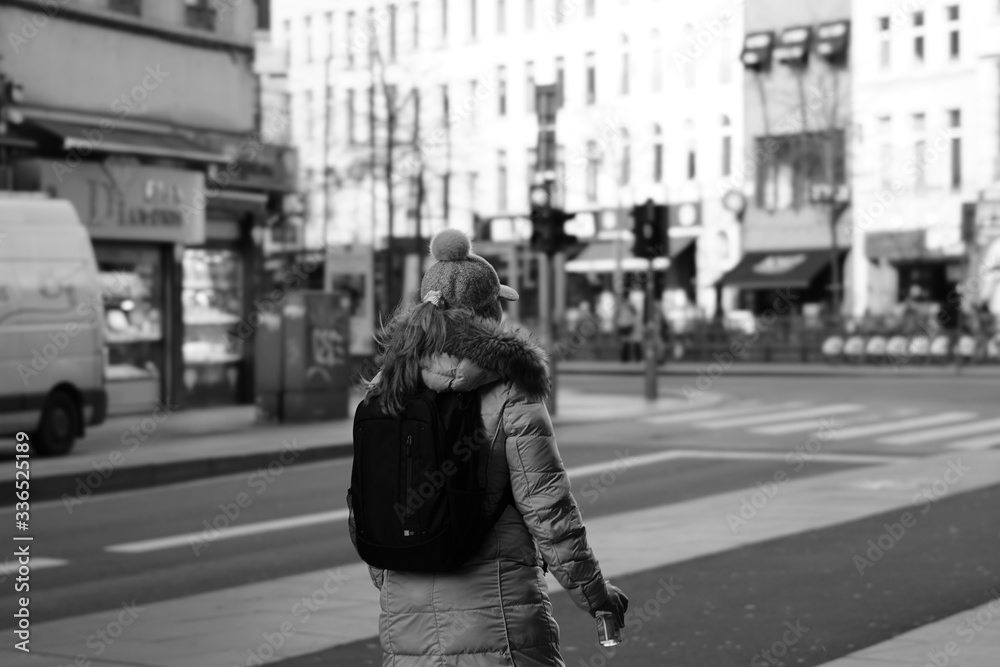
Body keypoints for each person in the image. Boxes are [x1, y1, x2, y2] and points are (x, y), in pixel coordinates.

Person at [362, 230, 628, 666]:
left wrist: (404, 571)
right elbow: (549, 514)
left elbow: (370, 503)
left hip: (406, 626)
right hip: (502, 623)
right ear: (489, 312)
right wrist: (597, 598)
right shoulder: (510, 391)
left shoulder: (387, 387)